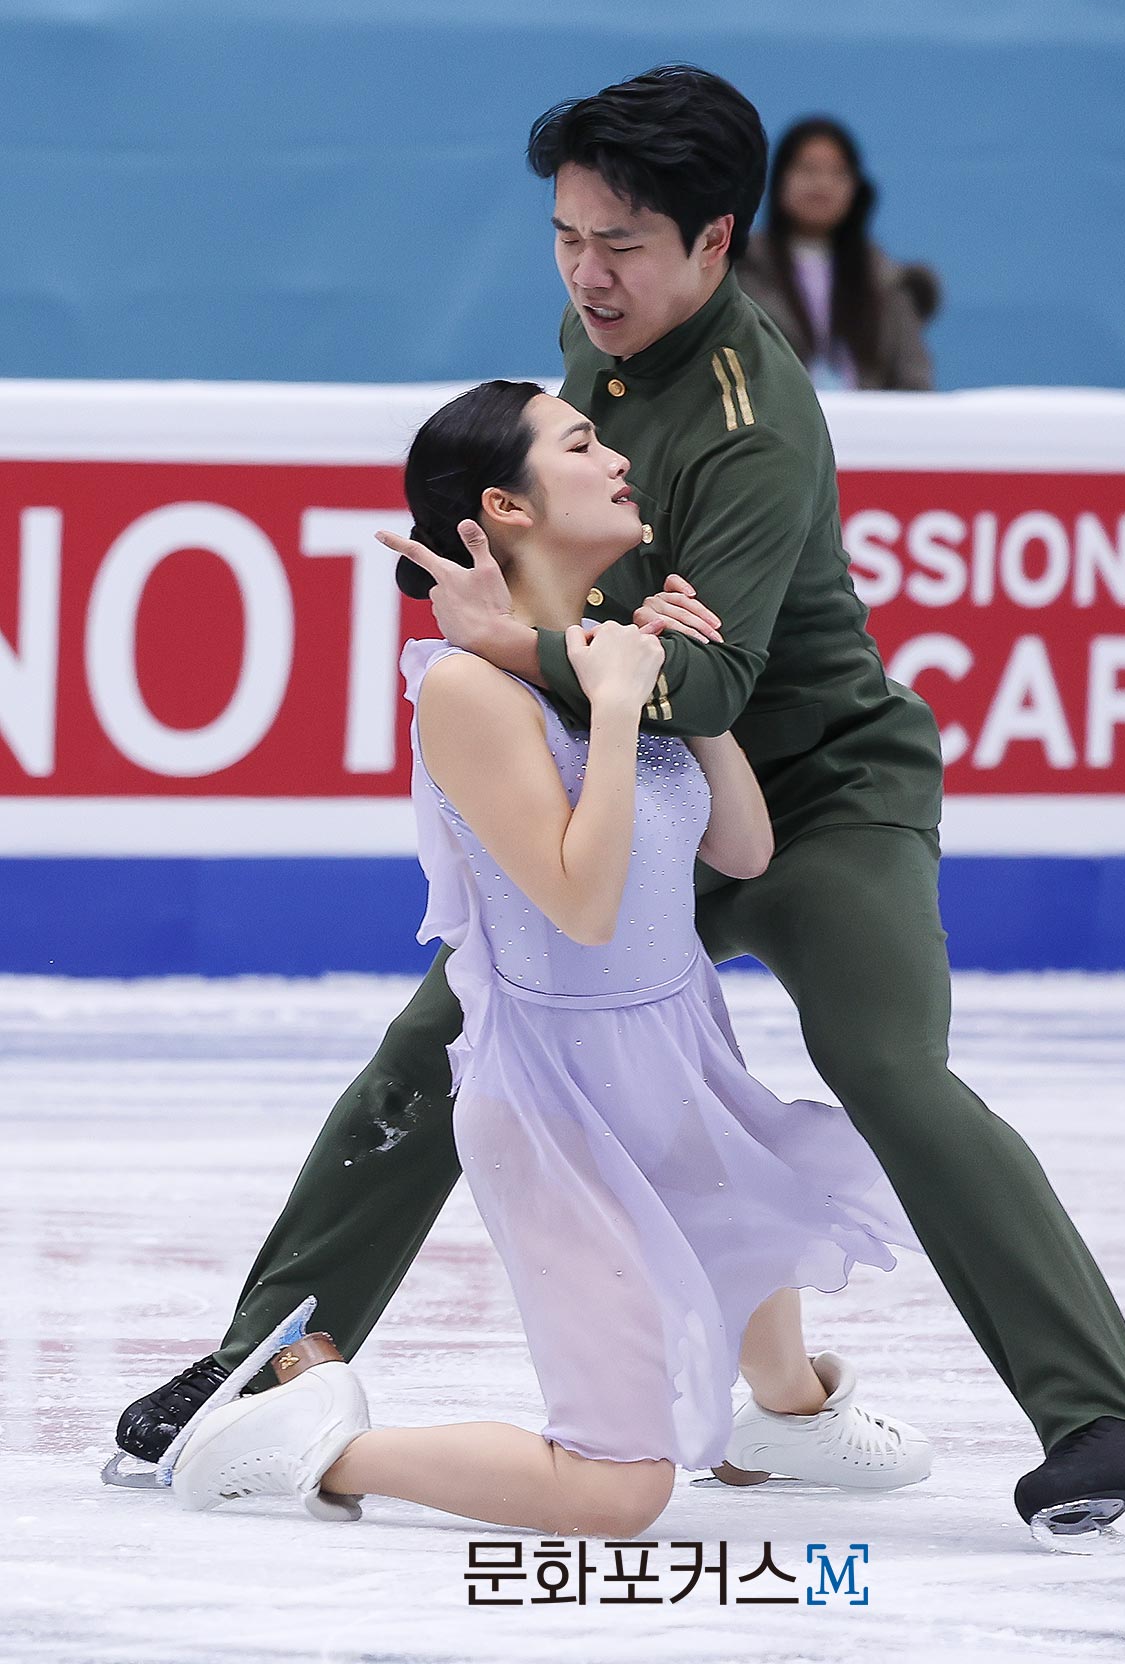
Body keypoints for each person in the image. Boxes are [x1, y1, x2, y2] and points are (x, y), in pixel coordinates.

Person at [119, 65, 1125, 1548]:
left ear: (716, 243)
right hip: (635, 780)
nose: (587, 273)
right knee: (453, 1032)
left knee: (886, 1067)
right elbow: (606, 616)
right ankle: (275, 1355)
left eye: (622, 243)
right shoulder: (596, 336)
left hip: (813, 788)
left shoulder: (758, 422)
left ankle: (1112, 1418)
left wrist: (502, 639)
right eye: (568, 235)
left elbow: (706, 688)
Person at [168, 381, 930, 1529]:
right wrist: (619, 712)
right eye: (580, 442)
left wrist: (688, 685)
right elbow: (581, 901)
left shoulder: (599, 650)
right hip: (559, 1093)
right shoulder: (471, 689)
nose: (617, 456)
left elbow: (743, 842)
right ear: (505, 506)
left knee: (765, 1223)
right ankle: (316, 1439)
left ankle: (784, 1415)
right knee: (619, 1489)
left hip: (676, 1041)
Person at [737, 116, 938, 391]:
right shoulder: (740, 273)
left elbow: (914, 380)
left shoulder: (886, 282)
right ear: (778, 180)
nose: (822, 184)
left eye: (838, 172)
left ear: (855, 187)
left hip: (870, 430)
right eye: (807, 169)